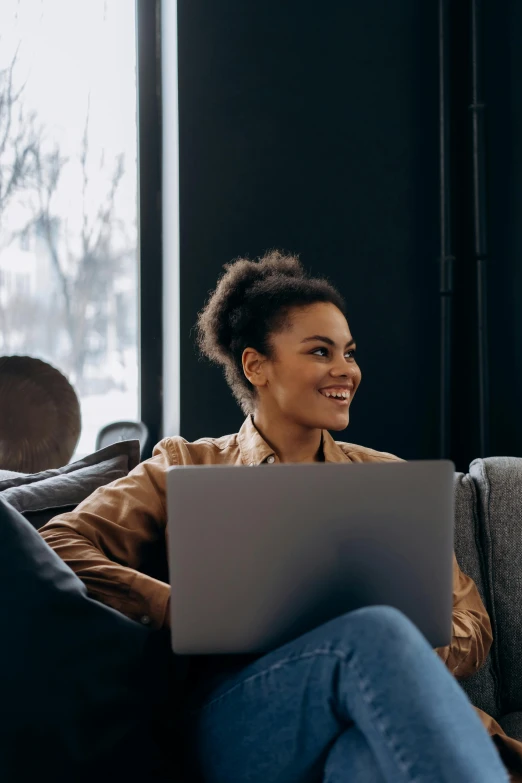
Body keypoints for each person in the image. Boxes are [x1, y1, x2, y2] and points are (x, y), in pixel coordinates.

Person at [40, 251, 522, 782]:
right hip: (238, 721)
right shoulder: (183, 466)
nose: (347, 370)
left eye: (350, 353)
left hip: (360, 705)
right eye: (321, 351)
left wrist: (401, 649)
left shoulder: (383, 479)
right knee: (374, 634)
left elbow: (471, 623)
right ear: (256, 366)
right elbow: (59, 542)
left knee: (361, 761)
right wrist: (180, 607)